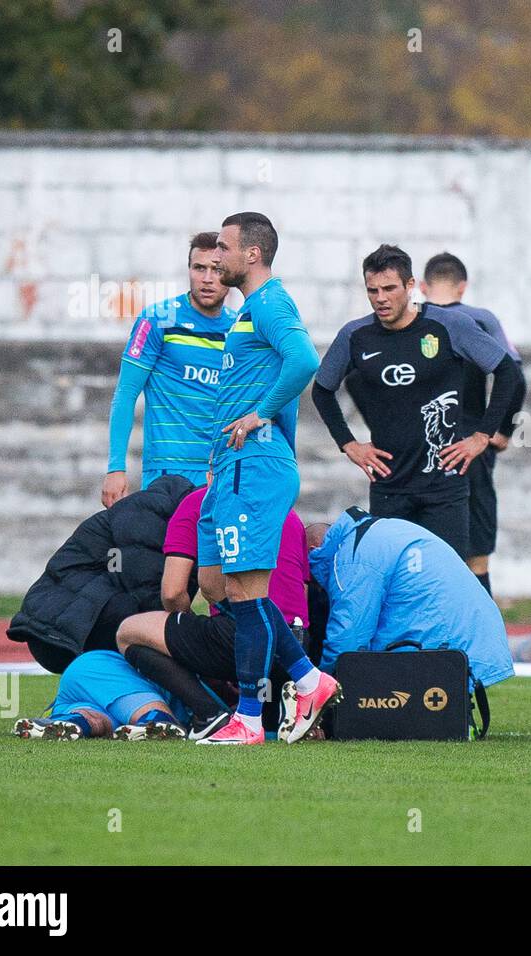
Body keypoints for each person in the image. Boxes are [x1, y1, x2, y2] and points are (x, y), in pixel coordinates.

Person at [195, 211, 337, 746]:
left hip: (253, 466)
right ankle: (307, 677)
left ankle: (250, 719)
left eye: (225, 248)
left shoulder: (272, 301)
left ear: (251, 254)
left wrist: (260, 417)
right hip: (231, 468)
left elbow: (303, 361)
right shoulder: (247, 311)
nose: (219, 256)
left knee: (245, 589)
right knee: (216, 583)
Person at [311, 245, 524, 561]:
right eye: (373, 290)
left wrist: (483, 436)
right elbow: (322, 390)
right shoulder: (356, 335)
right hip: (389, 487)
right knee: (395, 581)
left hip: (445, 488)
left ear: (411, 286)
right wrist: (349, 444)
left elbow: (508, 373)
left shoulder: (449, 326)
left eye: (389, 288)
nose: (381, 298)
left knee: (447, 580)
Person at [114, 484, 310, 741]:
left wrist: (187, 642)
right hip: (299, 645)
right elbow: (301, 593)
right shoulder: (286, 509)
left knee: (128, 632)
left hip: (243, 637)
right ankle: (289, 703)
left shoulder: (199, 501)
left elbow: (172, 592)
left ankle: (208, 713)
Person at [307, 508, 515, 690]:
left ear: (313, 551)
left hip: (444, 644)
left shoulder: (351, 558)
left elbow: (349, 637)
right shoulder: (376, 532)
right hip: (472, 636)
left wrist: (317, 684)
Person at [6, 475, 196, 673]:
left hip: (68, 624)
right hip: (58, 633)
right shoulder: (150, 516)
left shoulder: (165, 511)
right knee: (152, 623)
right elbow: (158, 596)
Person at [419, 252, 527, 594]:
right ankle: (481, 641)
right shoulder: (479, 319)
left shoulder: (411, 322)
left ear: (421, 286)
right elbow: (515, 377)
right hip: (471, 446)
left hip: (422, 449)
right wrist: (501, 431)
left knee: (426, 551)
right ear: (463, 287)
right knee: (476, 557)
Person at [103, 232, 236, 507]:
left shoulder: (239, 328)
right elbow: (126, 393)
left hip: (220, 472)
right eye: (199, 268)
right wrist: (116, 467)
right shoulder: (158, 319)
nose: (207, 279)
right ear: (189, 270)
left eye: (217, 269)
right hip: (167, 471)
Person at [12, 650, 190, 741]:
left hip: (90, 682)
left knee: (96, 720)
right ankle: (157, 721)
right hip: (106, 674)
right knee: (152, 717)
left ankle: (73, 722)